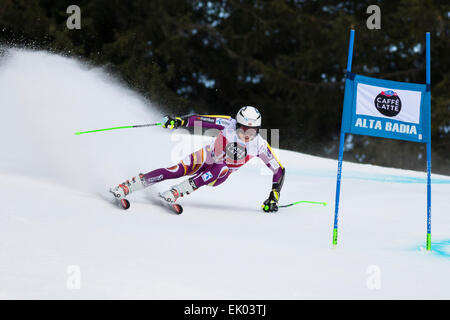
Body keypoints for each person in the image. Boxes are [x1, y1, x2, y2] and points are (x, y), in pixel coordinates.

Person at [110, 106, 285, 212]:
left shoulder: (260, 145)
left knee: (222, 166)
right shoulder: (228, 123)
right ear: (237, 125)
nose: (247, 134)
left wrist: (273, 197)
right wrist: (178, 121)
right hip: (206, 156)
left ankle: (177, 191)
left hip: (220, 173)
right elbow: (199, 119)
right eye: (243, 130)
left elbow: (279, 170)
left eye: (252, 131)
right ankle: (128, 186)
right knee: (175, 170)